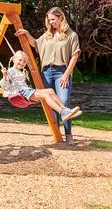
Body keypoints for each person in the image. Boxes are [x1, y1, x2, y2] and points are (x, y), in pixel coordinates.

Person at [15, 7, 81, 145]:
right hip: (46, 72)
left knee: (63, 102)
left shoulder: (71, 35)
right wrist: (26, 33)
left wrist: (66, 75)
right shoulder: (47, 35)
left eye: (53, 19)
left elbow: (75, 56)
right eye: (49, 20)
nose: (51, 22)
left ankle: (68, 135)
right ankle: (57, 134)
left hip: (62, 72)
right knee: (52, 103)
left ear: (61, 18)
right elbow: (35, 44)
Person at [0, 50, 82, 122]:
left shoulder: (22, 72)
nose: (22, 63)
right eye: (20, 60)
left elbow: (22, 83)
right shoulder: (9, 71)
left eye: (24, 61)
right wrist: (4, 76)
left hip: (27, 91)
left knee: (50, 90)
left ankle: (65, 110)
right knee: (46, 95)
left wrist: (26, 77)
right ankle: (62, 112)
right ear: (14, 59)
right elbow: (5, 86)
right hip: (22, 93)